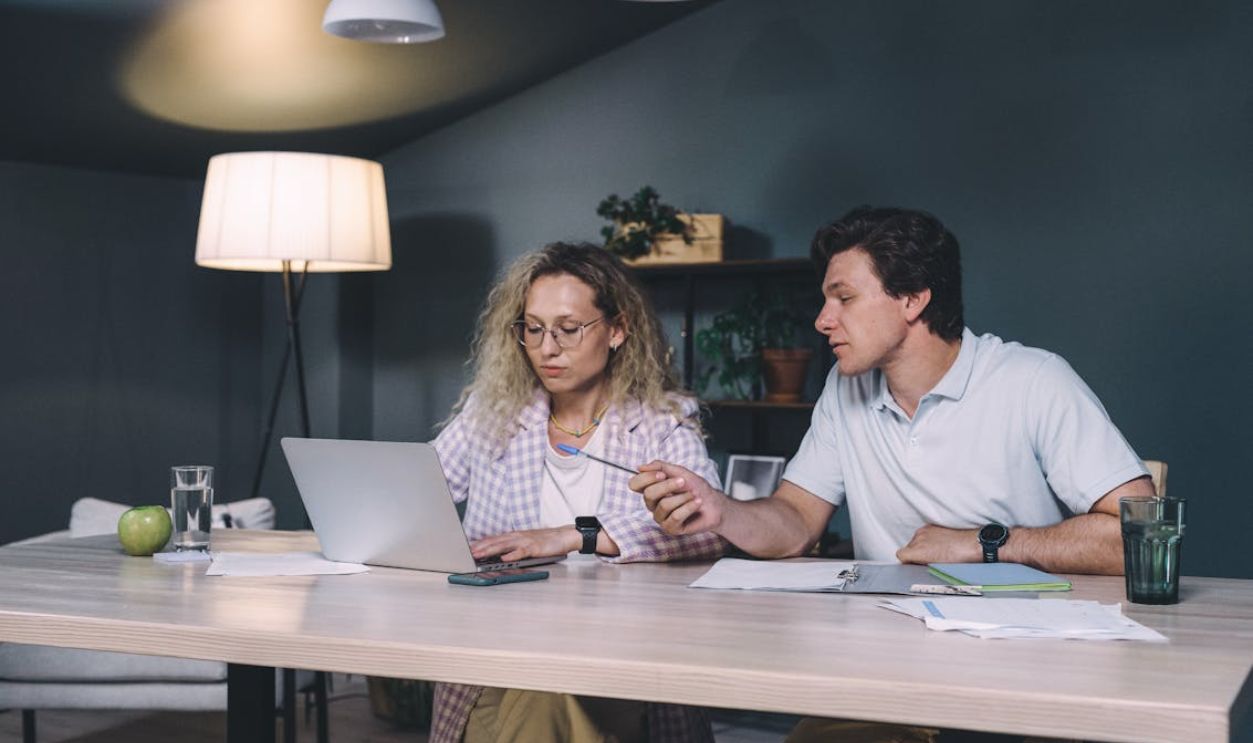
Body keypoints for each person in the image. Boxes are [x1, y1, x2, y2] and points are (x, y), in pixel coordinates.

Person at [632, 206, 1155, 742]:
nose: (822, 318)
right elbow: (795, 521)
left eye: (844, 297)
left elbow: (1136, 537)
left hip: (1021, 676)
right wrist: (720, 510)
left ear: (912, 298)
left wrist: (982, 543)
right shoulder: (844, 386)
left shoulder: (1034, 380)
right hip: (882, 673)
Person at [430, 241, 724, 743]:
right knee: (528, 698)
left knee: (549, 692)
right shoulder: (492, 411)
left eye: (568, 329)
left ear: (617, 329)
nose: (547, 348)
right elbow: (422, 494)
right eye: (533, 329)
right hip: (498, 648)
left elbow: (708, 532)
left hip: (616, 648)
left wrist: (572, 536)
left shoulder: (662, 422)